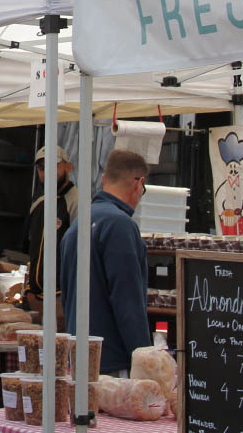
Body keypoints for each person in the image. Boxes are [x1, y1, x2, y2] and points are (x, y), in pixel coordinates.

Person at [60, 149, 152, 376]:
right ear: (138, 184)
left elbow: (65, 291)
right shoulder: (121, 226)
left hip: (79, 357)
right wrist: (146, 359)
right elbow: (128, 301)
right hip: (112, 363)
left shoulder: (79, 222)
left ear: (103, 180)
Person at [23, 145, 77, 310]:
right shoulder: (38, 205)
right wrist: (28, 289)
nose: (47, 173)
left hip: (61, 298)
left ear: (68, 167)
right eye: (42, 168)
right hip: (35, 297)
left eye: (54, 166)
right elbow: (31, 252)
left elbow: (81, 254)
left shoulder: (77, 203)